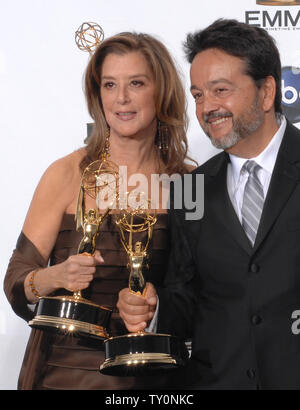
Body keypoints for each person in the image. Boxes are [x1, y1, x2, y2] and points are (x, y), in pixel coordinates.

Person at [4, 32, 194, 390]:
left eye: (135, 83)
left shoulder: (187, 184)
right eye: (110, 84)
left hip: (149, 381)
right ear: (98, 94)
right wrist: (51, 278)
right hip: (59, 375)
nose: (121, 98)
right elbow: (16, 279)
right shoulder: (66, 173)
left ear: (161, 91)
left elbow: (202, 293)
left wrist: (156, 305)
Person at [117, 19, 300, 389]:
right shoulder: (191, 188)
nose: (207, 108)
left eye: (220, 90)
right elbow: (185, 292)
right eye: (199, 95)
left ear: (267, 92)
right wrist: (155, 309)